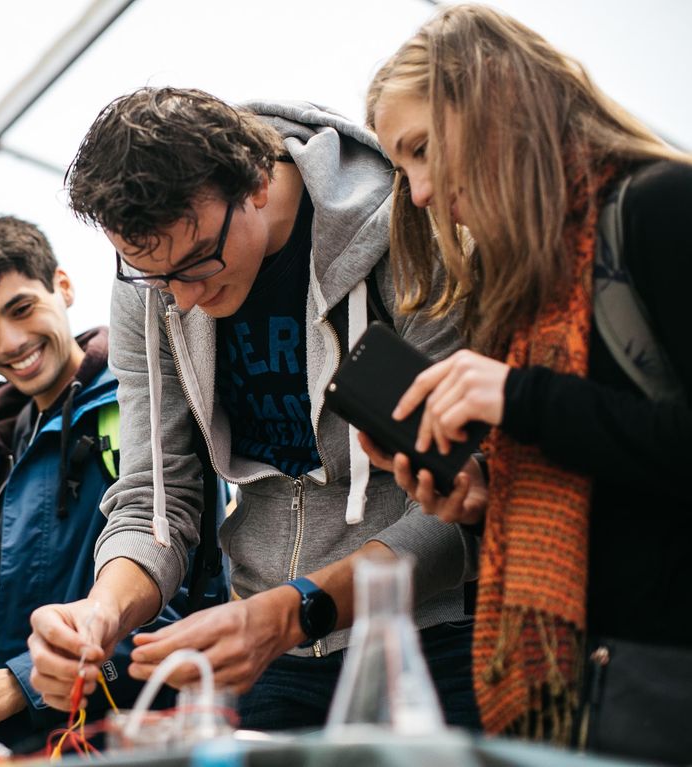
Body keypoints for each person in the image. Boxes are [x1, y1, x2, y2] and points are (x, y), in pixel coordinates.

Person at [28, 87, 480, 732]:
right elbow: (155, 497)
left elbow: (464, 493)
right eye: (154, 278)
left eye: (198, 262)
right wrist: (101, 611)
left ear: (259, 182)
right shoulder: (153, 278)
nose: (182, 301)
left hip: (431, 635)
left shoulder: (412, 227)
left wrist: (295, 610)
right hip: (266, 654)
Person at [365, 5, 692, 761]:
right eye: (400, 167)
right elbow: (602, 491)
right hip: (583, 703)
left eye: (420, 150)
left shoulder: (660, 209)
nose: (415, 192)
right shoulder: (519, 292)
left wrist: (519, 399)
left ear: (496, 102)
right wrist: (482, 502)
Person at [0, 216, 223, 754]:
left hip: (121, 746)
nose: (10, 341)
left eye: (20, 309)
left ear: (62, 286)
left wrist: (23, 684)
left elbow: (189, 608)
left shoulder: (146, 412)